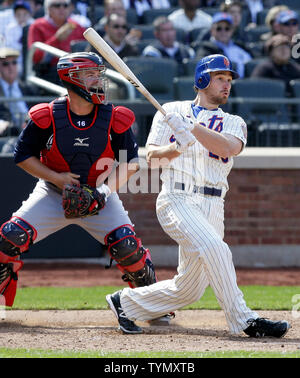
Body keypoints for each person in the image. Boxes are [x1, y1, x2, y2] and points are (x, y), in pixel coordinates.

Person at [106, 54, 291, 339]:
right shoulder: (171, 110)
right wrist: (176, 147)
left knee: (189, 289)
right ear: (202, 79)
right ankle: (243, 320)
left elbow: (229, 147)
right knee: (217, 249)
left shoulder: (234, 121)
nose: (226, 85)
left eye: (229, 80)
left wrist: (192, 128)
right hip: (177, 198)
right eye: (220, 78)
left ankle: (125, 303)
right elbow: (153, 158)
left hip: (214, 205)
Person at [0, 52, 164, 323]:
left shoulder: (114, 117)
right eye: (91, 74)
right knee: (9, 237)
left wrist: (103, 193)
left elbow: (131, 164)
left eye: (98, 74)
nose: (99, 80)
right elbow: (23, 156)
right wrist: (57, 178)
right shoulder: (48, 115)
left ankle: (155, 306)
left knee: (127, 247)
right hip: (53, 192)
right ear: (71, 78)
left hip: (101, 193)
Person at [27, 0, 86, 83]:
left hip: (75, 70)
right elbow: (35, 57)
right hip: (48, 72)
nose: (62, 8)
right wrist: (56, 39)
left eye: (65, 5)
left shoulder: (77, 26)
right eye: (57, 5)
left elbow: (86, 50)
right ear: (48, 9)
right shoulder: (37, 26)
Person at [193, 12, 252, 78]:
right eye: (219, 28)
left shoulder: (240, 46)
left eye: (227, 28)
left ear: (232, 30)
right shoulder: (206, 49)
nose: (223, 31)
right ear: (212, 31)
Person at [0, 47, 38, 134]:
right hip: (10, 134)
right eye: (5, 64)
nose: (11, 67)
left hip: (33, 131)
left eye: (14, 62)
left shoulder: (28, 88)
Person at [3, 1, 34, 75]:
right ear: (14, 15)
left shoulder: (33, 25)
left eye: (25, 14)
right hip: (17, 60)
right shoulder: (10, 28)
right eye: (18, 14)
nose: (21, 17)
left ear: (29, 14)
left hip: (30, 61)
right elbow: (11, 46)